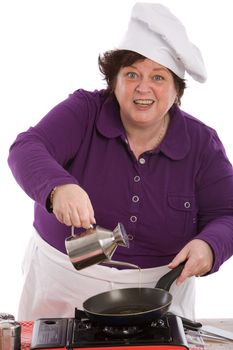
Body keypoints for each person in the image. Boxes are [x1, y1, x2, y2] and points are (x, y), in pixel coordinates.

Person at [8, 2, 233, 321]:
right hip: (62, 283)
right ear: (113, 82)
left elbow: (227, 213)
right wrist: (59, 187)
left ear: (176, 91)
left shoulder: (201, 144)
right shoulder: (84, 111)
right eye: (131, 74)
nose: (144, 87)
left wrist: (211, 245)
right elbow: (27, 147)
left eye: (158, 77)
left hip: (159, 292)